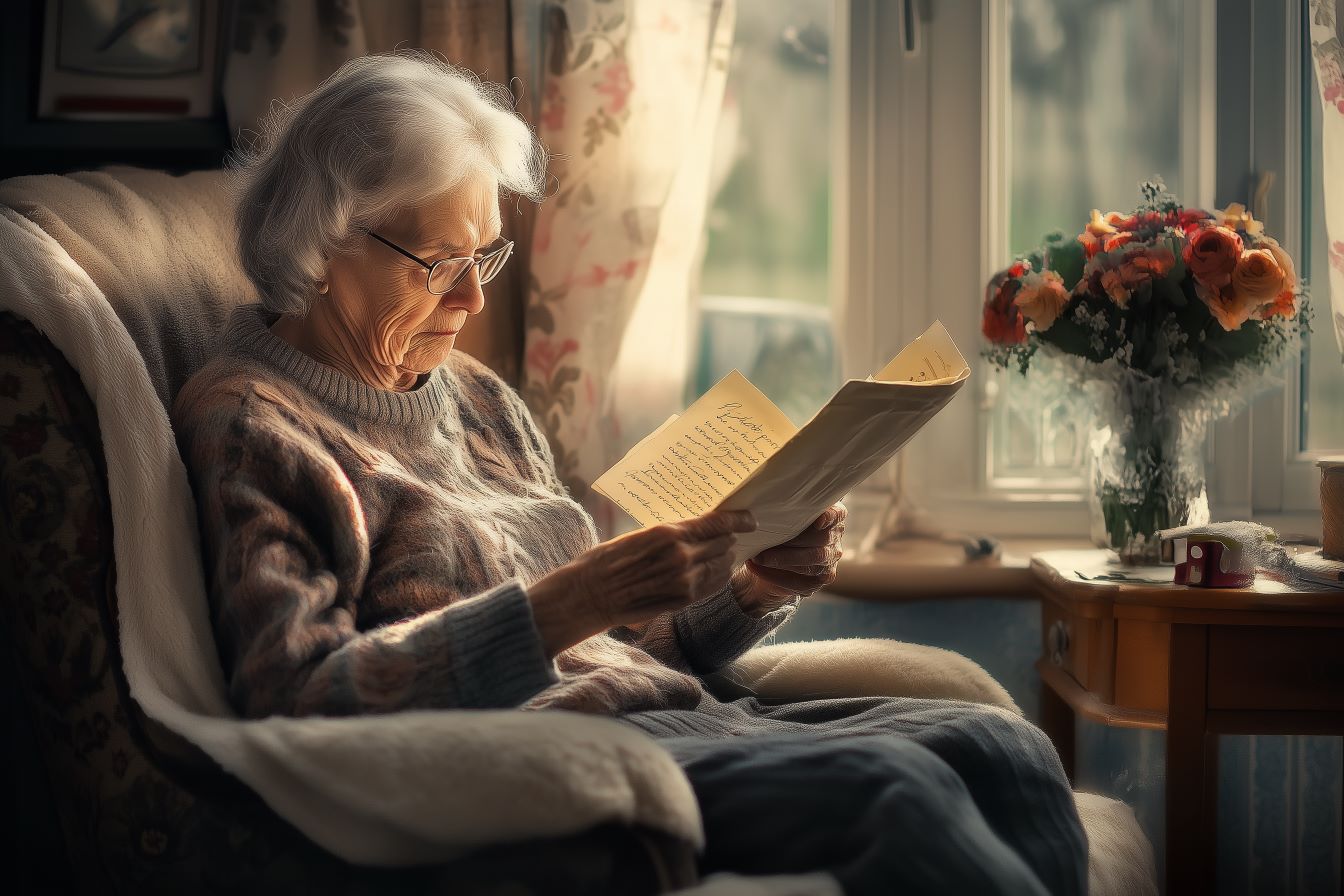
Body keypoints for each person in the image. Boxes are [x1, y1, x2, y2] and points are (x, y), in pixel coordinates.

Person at [172, 52, 1086, 895]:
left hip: (671, 716)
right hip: (561, 763)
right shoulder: (254, 424)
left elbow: (624, 646)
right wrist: (567, 602)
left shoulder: (473, 396)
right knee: (895, 789)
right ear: (322, 240)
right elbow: (295, 702)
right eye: (443, 263)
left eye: (486, 255)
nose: (475, 298)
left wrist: (748, 587)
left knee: (1001, 745)